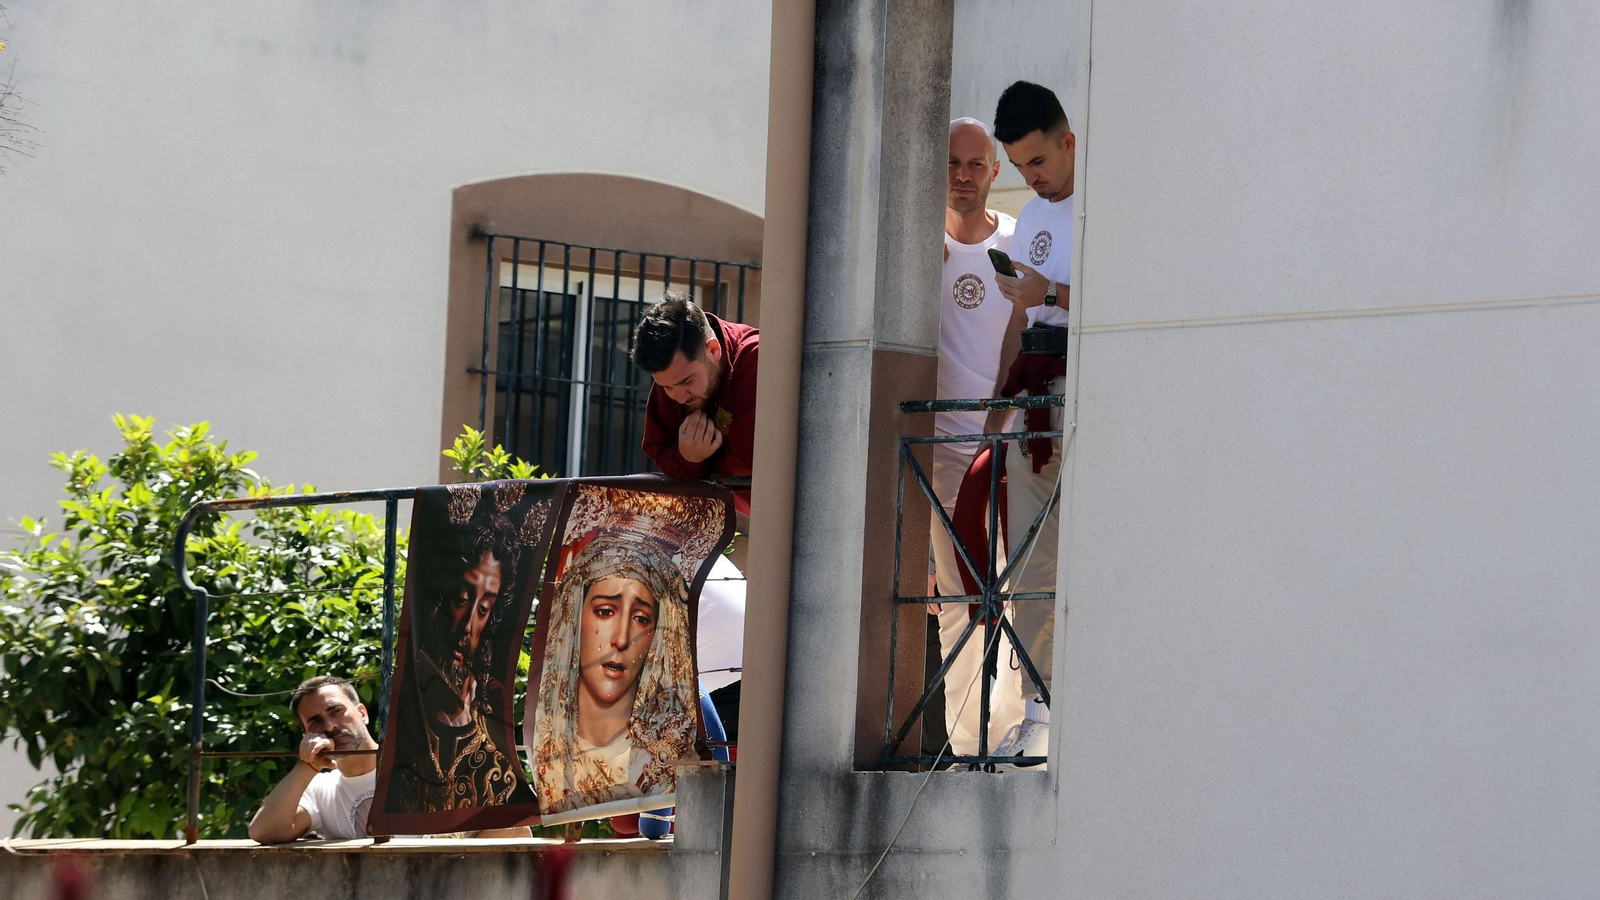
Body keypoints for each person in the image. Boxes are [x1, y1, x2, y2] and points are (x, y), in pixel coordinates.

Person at [928, 117, 1028, 757]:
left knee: (1015, 596)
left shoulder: (1020, 246)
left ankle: (1017, 733)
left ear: (995, 172)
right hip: (936, 455)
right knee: (957, 602)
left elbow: (1027, 335)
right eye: (952, 164)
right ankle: (967, 746)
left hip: (1006, 452)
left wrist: (1002, 419)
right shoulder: (916, 248)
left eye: (975, 164)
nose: (963, 176)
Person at [988, 80, 1077, 761]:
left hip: (1087, 382)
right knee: (1028, 558)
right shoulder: (1034, 216)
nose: (1030, 178)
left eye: (1038, 162)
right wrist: (998, 401)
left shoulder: (1106, 202)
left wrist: (1050, 292)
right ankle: (1038, 709)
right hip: (1035, 392)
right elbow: (1022, 314)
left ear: (1068, 141)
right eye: (1019, 167)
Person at [531, 527, 700, 815]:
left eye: (641, 618)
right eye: (606, 612)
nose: (621, 639)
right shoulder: (545, 741)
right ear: (574, 616)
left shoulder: (672, 742)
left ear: (657, 637)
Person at [390, 489, 529, 814]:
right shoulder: (408, 695)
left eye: (483, 607)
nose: (468, 624)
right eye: (461, 600)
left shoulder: (491, 699)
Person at [631, 292, 759, 517]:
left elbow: (748, 462)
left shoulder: (756, 359)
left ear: (713, 349)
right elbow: (658, 449)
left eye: (686, 381)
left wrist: (693, 463)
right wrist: (688, 458)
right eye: (666, 388)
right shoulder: (674, 376)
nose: (679, 397)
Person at [248, 675, 383, 843]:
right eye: (315, 722)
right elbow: (263, 831)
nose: (329, 726)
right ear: (306, 736)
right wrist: (307, 765)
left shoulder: (415, 769)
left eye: (336, 711)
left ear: (362, 713)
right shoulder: (320, 790)